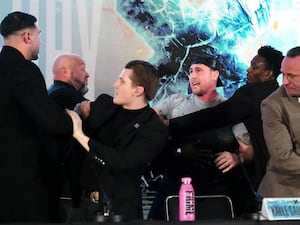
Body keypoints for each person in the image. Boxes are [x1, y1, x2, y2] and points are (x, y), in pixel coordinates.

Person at [168, 45, 284, 213]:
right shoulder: (281, 95)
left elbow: (216, 116)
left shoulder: (251, 93)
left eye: (255, 67)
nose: (249, 70)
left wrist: (172, 125)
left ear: (269, 73)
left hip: (263, 178)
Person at [148, 54, 253, 219]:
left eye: (198, 70)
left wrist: (236, 158)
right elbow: (148, 120)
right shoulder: (176, 102)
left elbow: (248, 150)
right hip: (174, 185)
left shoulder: (228, 109)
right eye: (190, 71)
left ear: (214, 74)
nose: (193, 76)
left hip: (214, 191)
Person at [66, 60, 168, 221]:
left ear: (138, 90)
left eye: (122, 81)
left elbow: (121, 161)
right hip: (85, 201)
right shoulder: (104, 105)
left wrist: (79, 134)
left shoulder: (154, 129)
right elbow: (80, 111)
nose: (115, 85)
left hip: (121, 208)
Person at [0, 11, 73, 222]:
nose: (40, 42)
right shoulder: (24, 70)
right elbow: (48, 119)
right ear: (27, 37)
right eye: (39, 35)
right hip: (24, 179)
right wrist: (72, 119)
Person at [45, 53, 90, 221]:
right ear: (65, 71)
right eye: (82, 69)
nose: (87, 74)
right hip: (68, 183)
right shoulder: (65, 95)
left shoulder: (56, 93)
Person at [258, 46, 300, 197]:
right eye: (283, 74)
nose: (285, 82)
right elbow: (283, 158)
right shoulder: (272, 105)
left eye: (292, 76)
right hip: (287, 194)